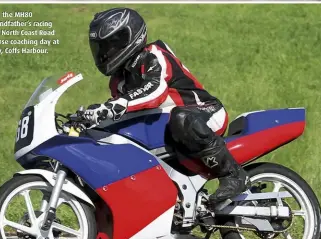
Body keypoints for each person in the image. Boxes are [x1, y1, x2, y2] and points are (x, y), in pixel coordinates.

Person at [84, 7, 249, 205]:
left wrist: (116, 105)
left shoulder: (153, 55)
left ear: (127, 39)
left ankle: (233, 175)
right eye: (100, 48)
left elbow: (155, 92)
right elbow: (121, 112)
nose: (104, 53)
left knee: (182, 119)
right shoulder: (119, 79)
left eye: (110, 46)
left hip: (203, 113)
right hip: (167, 127)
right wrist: (91, 117)